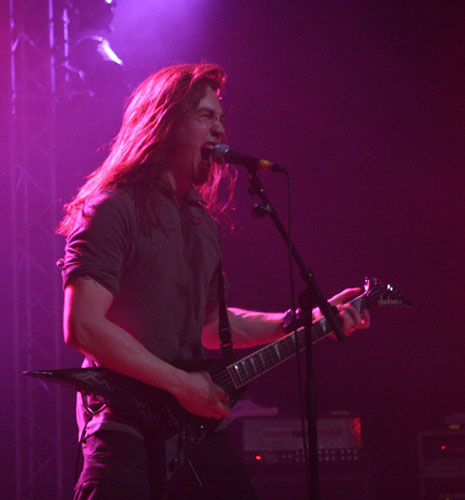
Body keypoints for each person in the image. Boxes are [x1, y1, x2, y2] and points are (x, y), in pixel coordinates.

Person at [57, 63, 370, 500]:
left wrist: (305, 319)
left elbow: (211, 325)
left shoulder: (201, 223)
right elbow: (83, 326)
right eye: (205, 116)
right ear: (164, 122)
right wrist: (181, 384)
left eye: (221, 119)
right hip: (124, 424)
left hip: (191, 425)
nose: (220, 130)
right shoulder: (113, 208)